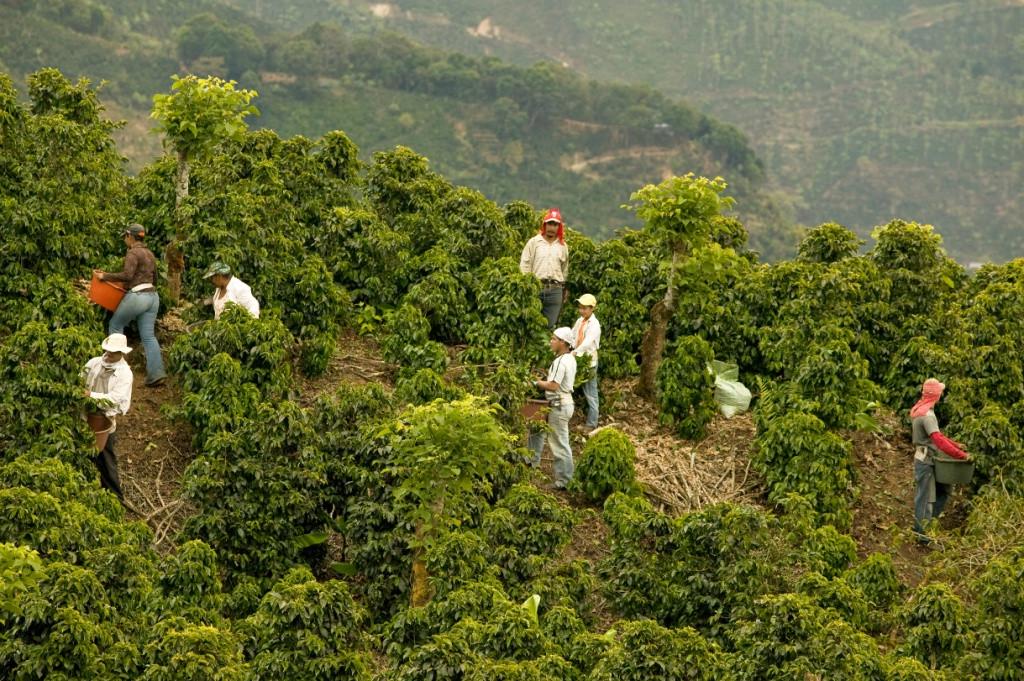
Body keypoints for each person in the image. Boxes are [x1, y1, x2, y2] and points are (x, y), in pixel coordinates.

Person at [97, 223, 166, 387]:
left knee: (115, 325)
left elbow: (127, 275)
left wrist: (104, 276)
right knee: (148, 336)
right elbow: (155, 279)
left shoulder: (133, 253)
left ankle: (119, 371)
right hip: (153, 296)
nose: (124, 241)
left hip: (139, 296)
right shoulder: (149, 253)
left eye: (125, 237)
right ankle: (156, 374)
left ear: (130, 236)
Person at [910, 378, 970, 542]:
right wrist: (961, 455)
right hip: (926, 460)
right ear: (936, 395)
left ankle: (928, 526)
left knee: (944, 491)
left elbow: (939, 436)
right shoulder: (928, 415)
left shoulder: (920, 410)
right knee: (925, 497)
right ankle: (922, 535)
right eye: (940, 392)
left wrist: (955, 444)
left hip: (928, 458)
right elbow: (938, 440)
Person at [82, 333, 134, 501]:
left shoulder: (125, 374)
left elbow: (114, 400)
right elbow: (80, 380)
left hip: (105, 419)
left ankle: (115, 497)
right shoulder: (94, 363)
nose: (109, 355)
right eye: (107, 351)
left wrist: (90, 395)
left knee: (105, 458)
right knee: (84, 454)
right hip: (85, 416)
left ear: (122, 353)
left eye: (113, 352)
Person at [528, 327, 577, 488]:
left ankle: (564, 481)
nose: (551, 341)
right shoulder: (570, 358)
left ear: (563, 343)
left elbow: (553, 385)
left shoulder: (561, 361)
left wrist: (535, 382)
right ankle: (530, 461)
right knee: (537, 429)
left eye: (554, 339)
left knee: (559, 442)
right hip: (560, 403)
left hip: (559, 405)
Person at [519, 208, 569, 328]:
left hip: (555, 290)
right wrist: (528, 285)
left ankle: (545, 347)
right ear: (545, 225)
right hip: (536, 287)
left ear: (559, 227)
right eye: (550, 224)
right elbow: (525, 264)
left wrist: (564, 289)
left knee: (549, 325)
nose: (552, 227)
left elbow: (564, 268)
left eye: (555, 225)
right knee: (531, 323)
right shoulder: (534, 242)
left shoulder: (563, 246)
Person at [570, 293, 602, 432]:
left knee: (590, 393)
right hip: (577, 359)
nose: (582, 310)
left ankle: (591, 423)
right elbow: (573, 334)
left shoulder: (595, 325)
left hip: (589, 362)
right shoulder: (580, 321)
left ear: (592, 308)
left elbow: (587, 342)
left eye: (585, 308)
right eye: (580, 308)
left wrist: (575, 352)